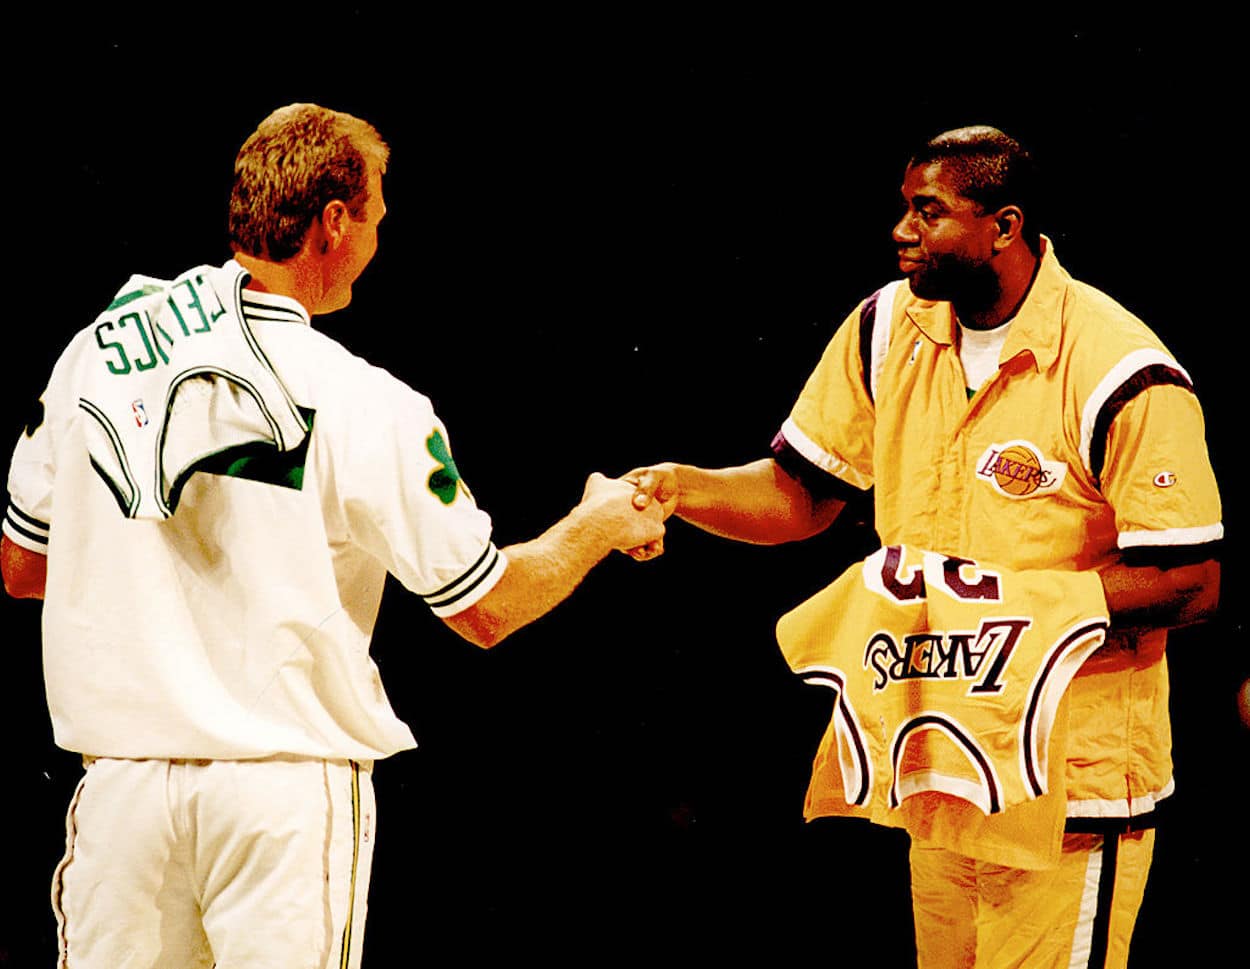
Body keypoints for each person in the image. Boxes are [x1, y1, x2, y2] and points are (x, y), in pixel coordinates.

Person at [0, 102, 664, 969]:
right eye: (378, 215)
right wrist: (598, 526)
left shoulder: (95, 354)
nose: (381, 235)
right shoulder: (365, 400)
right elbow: (486, 608)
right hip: (280, 798)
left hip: (124, 791)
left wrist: (150, 589)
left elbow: (23, 565)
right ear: (334, 223)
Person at [626, 126, 1222, 968]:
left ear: (1003, 226)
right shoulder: (886, 327)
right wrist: (684, 488)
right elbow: (805, 494)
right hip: (946, 769)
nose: (901, 229)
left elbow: (1194, 580)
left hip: (1069, 791)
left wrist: (1027, 613)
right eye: (906, 207)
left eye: (927, 211)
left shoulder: (1120, 365)